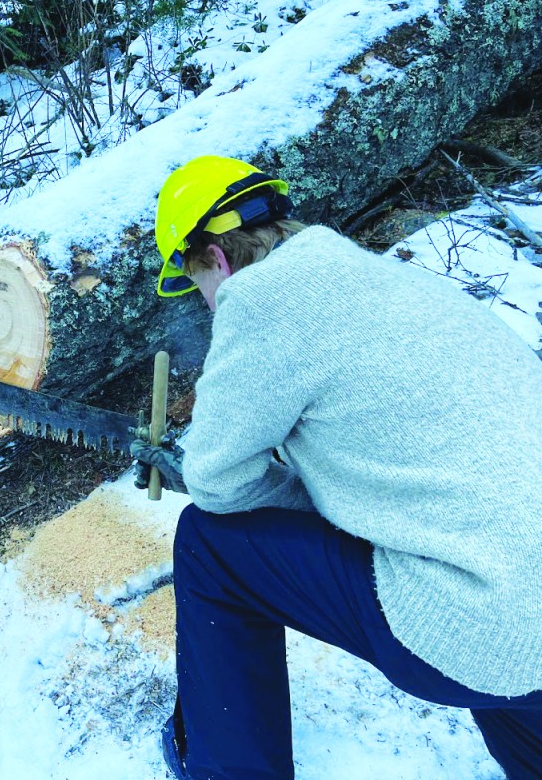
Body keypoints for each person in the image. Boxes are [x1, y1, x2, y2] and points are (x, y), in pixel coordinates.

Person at [130, 155, 542, 779]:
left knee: (210, 545)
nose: (208, 304)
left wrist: (289, 491)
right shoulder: (384, 279)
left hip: (485, 614)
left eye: (198, 285)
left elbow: (216, 482)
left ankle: (228, 770)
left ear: (215, 257)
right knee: (511, 644)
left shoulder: (262, 298)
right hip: (520, 595)